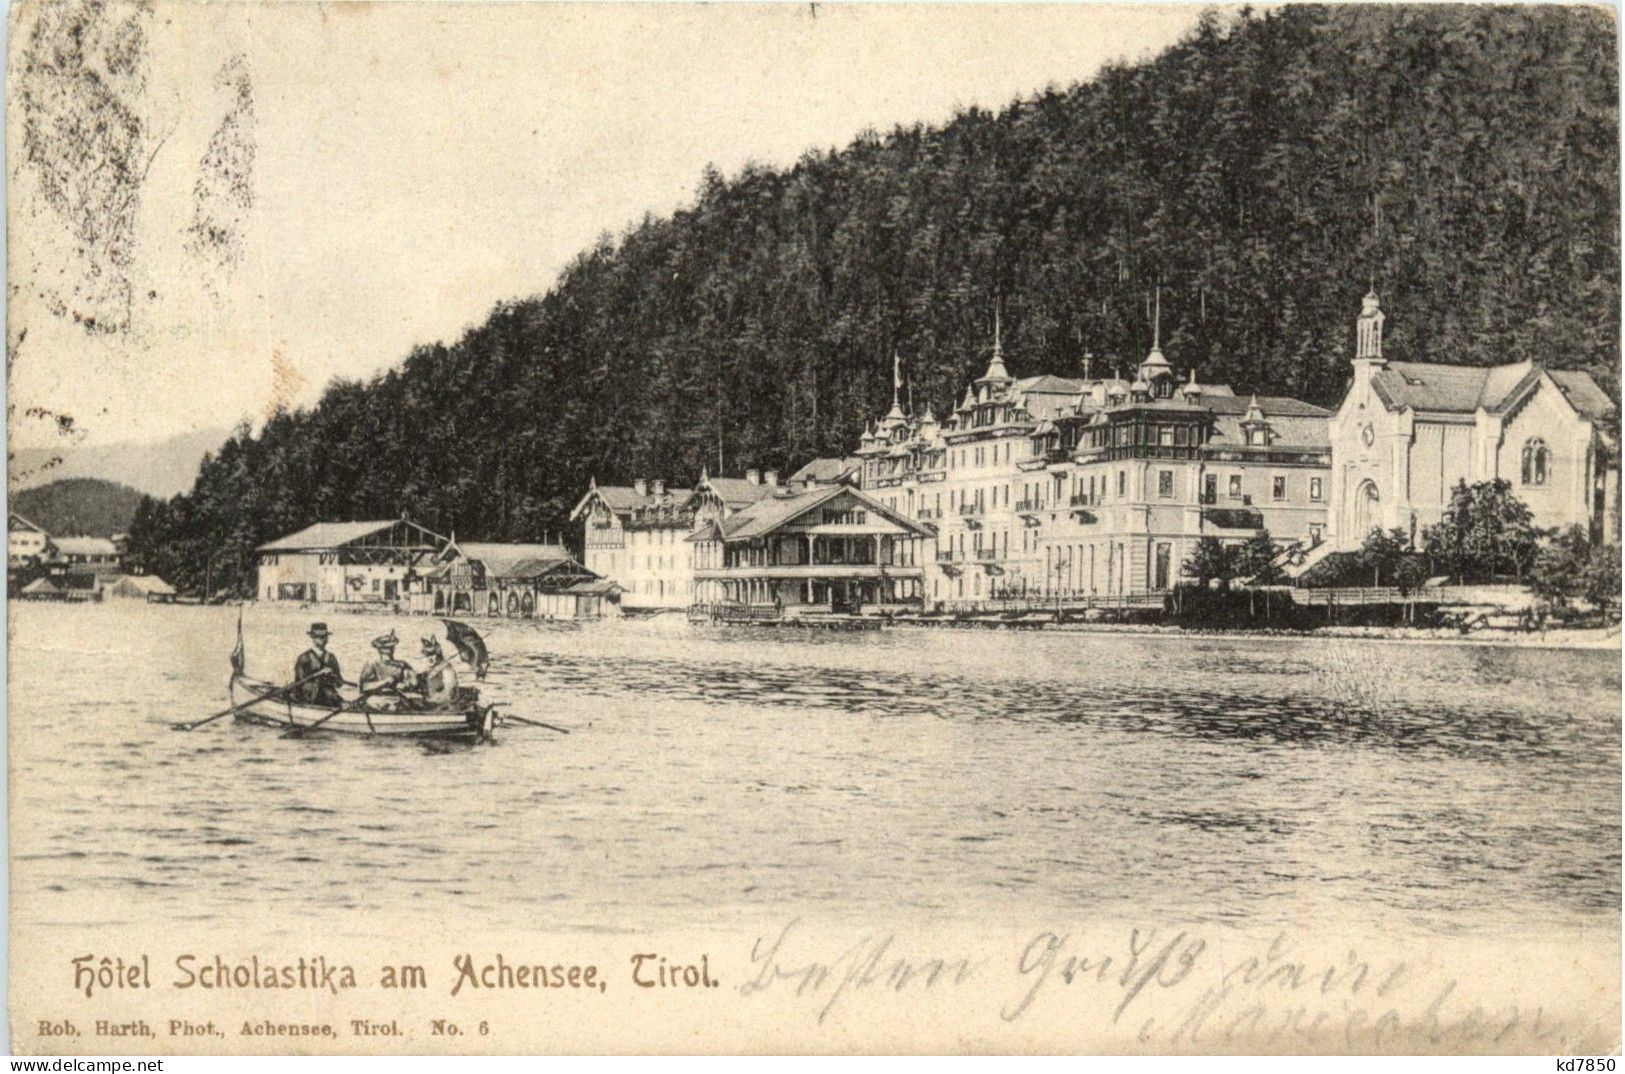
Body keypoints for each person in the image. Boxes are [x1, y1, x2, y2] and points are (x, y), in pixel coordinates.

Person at [292, 622, 344, 706]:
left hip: (329, 696)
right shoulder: (304, 658)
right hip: (309, 696)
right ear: (313, 637)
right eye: (320, 637)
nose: (323, 639)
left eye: (325, 637)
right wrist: (318, 676)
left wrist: (332, 675)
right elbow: (299, 683)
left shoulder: (331, 658)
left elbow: (339, 683)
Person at [417, 635, 459, 707]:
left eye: (432, 654)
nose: (430, 658)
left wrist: (434, 699)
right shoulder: (430, 669)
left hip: (442, 703)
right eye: (427, 655)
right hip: (431, 701)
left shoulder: (446, 669)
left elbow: (449, 692)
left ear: (438, 655)